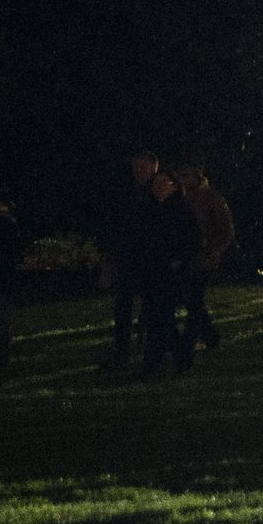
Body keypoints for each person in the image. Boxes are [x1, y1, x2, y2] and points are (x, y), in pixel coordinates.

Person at [109, 152, 184, 376]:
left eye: (143, 167)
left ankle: (162, 358)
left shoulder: (163, 194)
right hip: (132, 260)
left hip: (153, 263)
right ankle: (127, 354)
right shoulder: (132, 194)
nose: (138, 172)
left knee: (155, 312)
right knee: (126, 308)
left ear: (154, 166)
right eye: (135, 167)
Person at [175, 156, 237, 353]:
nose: (183, 180)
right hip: (186, 256)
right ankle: (208, 334)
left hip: (204, 258)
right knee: (190, 298)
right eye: (181, 176)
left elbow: (225, 229)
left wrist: (213, 249)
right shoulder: (180, 198)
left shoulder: (211, 198)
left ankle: (192, 339)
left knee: (194, 298)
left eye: (187, 175)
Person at [0, 186, 20, 379]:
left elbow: (11, 253)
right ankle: (2, 357)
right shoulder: (4, 222)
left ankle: (3, 358)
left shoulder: (1, 223)